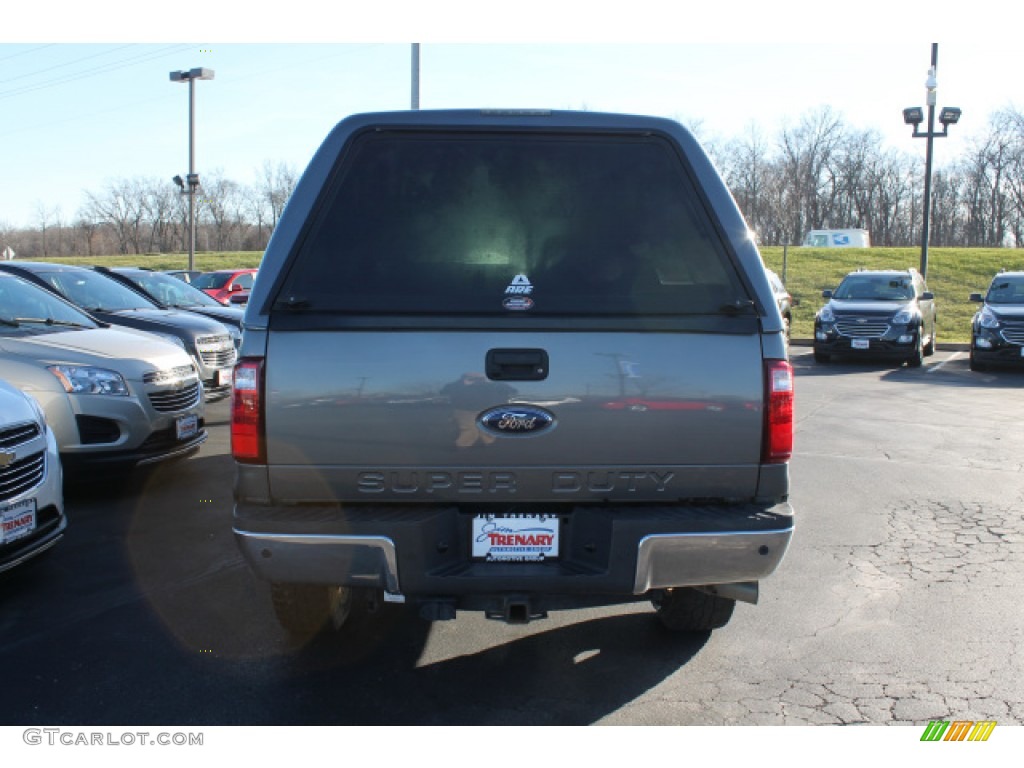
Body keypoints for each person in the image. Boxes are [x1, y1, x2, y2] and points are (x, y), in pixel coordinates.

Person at [440, 372, 517, 448]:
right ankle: (462, 446)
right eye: (472, 378)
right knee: (470, 430)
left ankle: (489, 444)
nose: (476, 380)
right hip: (464, 411)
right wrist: (463, 383)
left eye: (479, 378)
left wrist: (490, 381)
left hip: (485, 410)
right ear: (464, 377)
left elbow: (512, 390)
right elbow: (444, 391)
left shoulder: (490, 385)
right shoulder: (457, 385)